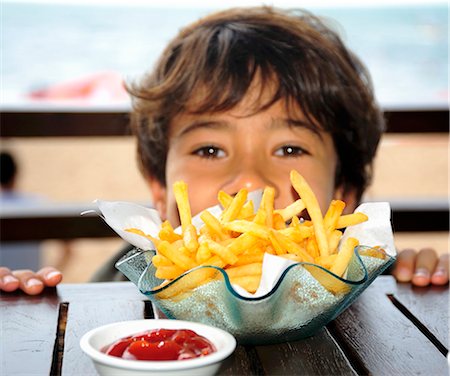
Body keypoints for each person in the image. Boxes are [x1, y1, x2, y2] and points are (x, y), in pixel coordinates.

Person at [1, 6, 447, 294]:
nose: (250, 181)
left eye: (289, 149)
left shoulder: (364, 280)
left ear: (344, 196)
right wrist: (30, 301)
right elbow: (77, 338)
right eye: (211, 150)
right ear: (159, 189)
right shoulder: (129, 279)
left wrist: (420, 285)